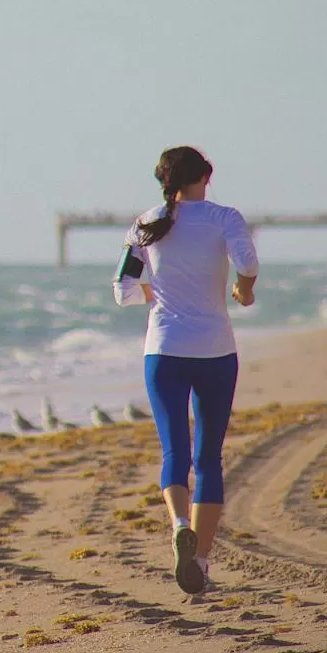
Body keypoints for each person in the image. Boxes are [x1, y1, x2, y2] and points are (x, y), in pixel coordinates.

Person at [118, 146, 257, 595]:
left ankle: (179, 524)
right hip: (216, 351)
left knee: (174, 451)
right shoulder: (224, 218)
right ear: (207, 176)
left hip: (163, 351)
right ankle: (200, 560)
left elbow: (123, 289)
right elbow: (248, 263)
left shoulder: (147, 222)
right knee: (209, 458)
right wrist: (244, 289)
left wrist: (152, 297)